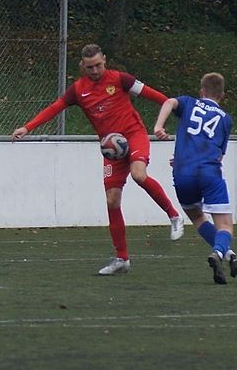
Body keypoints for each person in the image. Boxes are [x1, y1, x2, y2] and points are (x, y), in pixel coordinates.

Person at [11, 43, 183, 276]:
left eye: (99, 65)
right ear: (82, 65)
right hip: (111, 149)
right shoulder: (78, 90)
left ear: (105, 60)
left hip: (133, 135)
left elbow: (155, 96)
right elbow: (55, 107)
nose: (95, 70)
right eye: (90, 67)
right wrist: (27, 127)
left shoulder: (121, 79)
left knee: (138, 174)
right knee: (112, 200)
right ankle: (122, 259)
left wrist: (178, 109)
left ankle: (173, 215)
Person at [153, 73, 237, 284]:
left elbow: (168, 102)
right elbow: (219, 154)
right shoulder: (225, 119)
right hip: (209, 174)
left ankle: (228, 255)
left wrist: (158, 127)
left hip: (182, 172)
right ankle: (219, 253)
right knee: (225, 226)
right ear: (222, 95)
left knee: (196, 217)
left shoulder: (188, 103)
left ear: (201, 91)